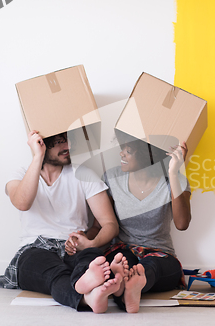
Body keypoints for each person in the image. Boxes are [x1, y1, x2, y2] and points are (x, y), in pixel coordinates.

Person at [0, 130, 128, 313]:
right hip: (34, 249)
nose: (68, 146)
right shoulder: (20, 174)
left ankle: (91, 291)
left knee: (92, 258)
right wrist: (37, 156)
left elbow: (109, 223)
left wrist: (91, 243)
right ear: (42, 144)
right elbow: (22, 203)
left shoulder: (83, 173)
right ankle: (88, 297)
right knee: (51, 272)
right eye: (59, 142)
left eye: (68, 140)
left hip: (73, 247)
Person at [66, 131, 192, 313]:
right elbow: (98, 225)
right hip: (122, 252)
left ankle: (130, 285)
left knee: (151, 267)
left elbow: (182, 224)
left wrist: (173, 172)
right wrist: (83, 239)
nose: (121, 154)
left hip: (160, 255)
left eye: (129, 150)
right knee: (121, 263)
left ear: (149, 155)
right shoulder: (112, 178)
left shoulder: (176, 181)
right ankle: (125, 288)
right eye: (122, 148)